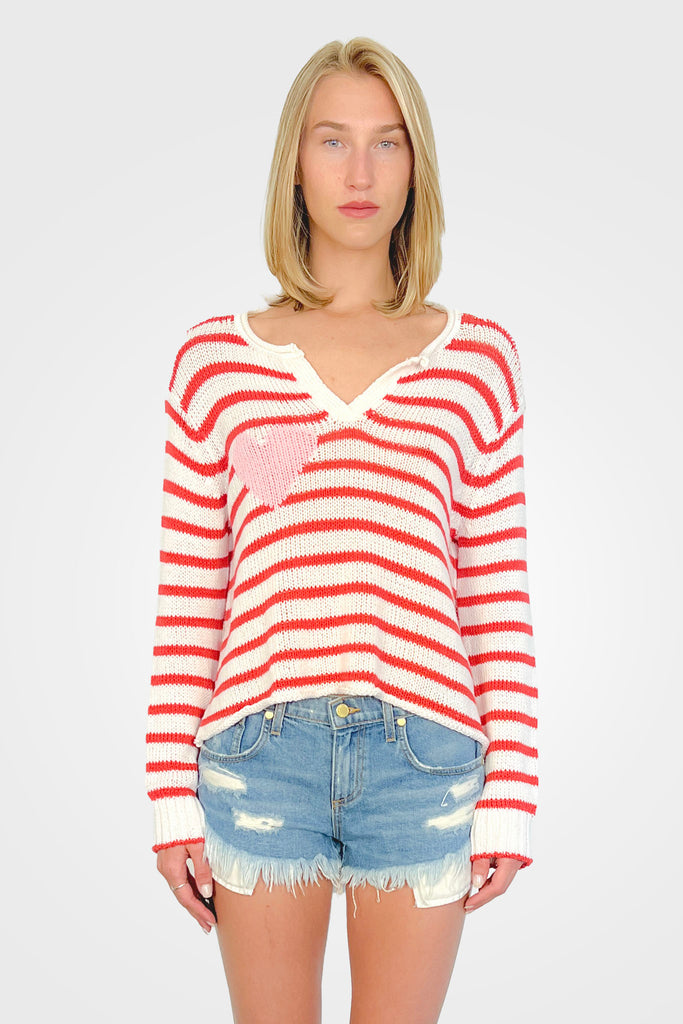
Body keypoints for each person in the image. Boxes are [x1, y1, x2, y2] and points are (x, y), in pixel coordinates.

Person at [145, 35, 537, 1024]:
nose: (359, 172)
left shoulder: (476, 361)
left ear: (416, 166)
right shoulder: (220, 362)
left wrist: (512, 797)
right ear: (295, 162)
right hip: (257, 753)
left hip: (427, 759)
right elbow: (193, 591)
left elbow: (493, 592)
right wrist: (166, 794)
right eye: (332, 140)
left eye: (386, 142)